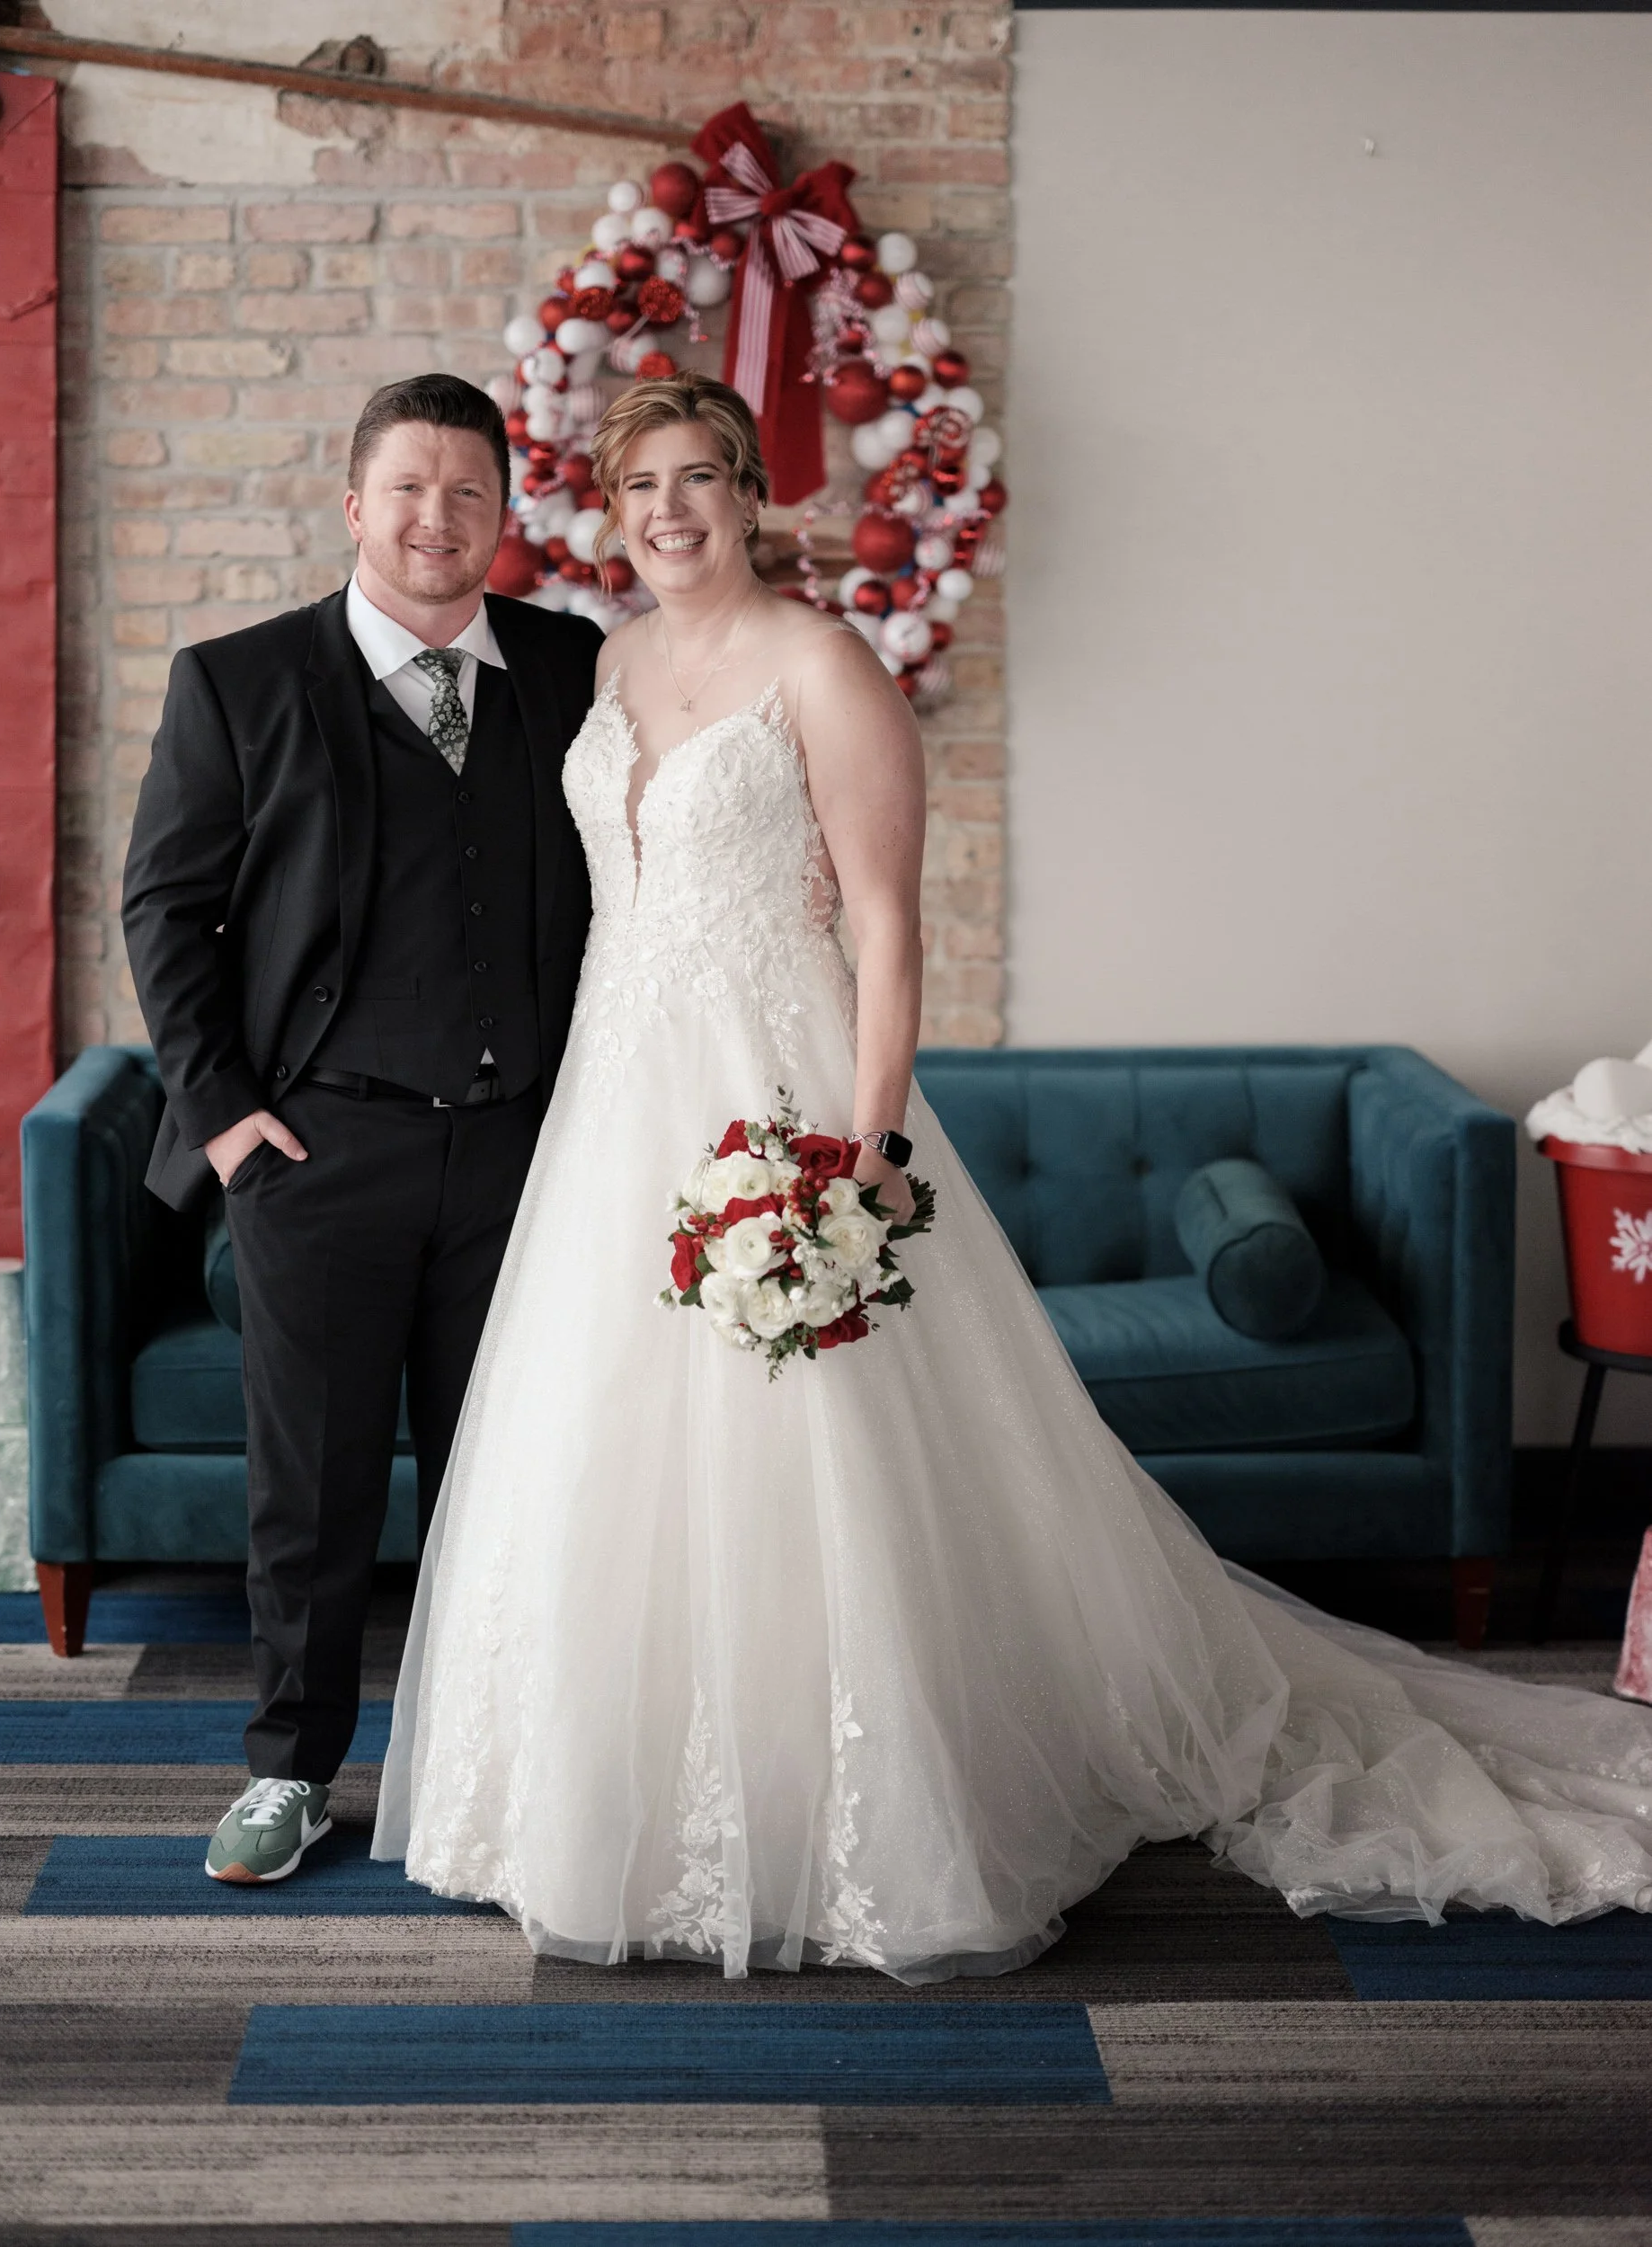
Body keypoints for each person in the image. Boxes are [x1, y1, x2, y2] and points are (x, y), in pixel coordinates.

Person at [373, 371, 1652, 1981]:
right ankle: (591, 1810)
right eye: (639, 487)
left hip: (778, 1098)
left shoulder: (823, 663)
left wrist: (860, 1158)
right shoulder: (608, 661)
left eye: (697, 479)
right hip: (613, 1109)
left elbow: (888, 928)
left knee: (811, 1451)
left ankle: (852, 1809)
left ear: (750, 495)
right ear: (610, 509)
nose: (668, 513)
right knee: (596, 1441)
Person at [123, 373, 603, 1884]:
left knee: (509, 1479)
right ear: (353, 506)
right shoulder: (238, 681)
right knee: (313, 1490)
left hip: (522, 1155)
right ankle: (288, 1770)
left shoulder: (576, 667)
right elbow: (166, 911)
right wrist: (225, 1121)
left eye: (468, 492)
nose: (435, 518)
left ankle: (492, 1768)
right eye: (408, 488)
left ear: (504, 515)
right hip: (316, 1152)